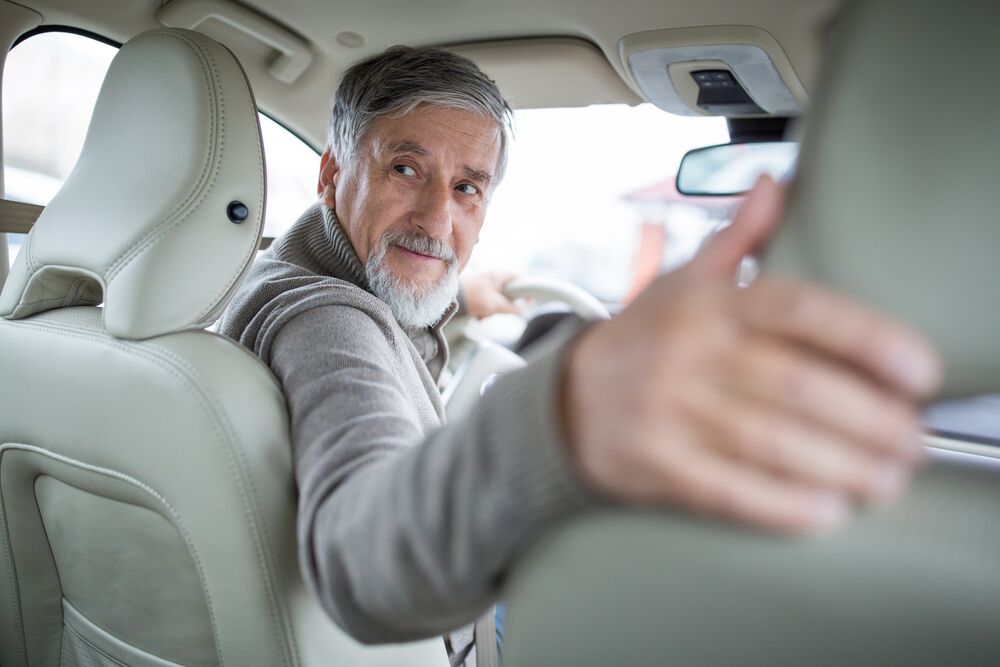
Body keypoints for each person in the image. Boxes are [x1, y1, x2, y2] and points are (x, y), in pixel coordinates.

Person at [219, 46, 940, 667]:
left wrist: (462, 293)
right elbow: (362, 557)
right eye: (406, 168)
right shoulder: (327, 321)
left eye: (468, 186)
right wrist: (566, 412)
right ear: (330, 172)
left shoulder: (281, 281)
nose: (439, 219)